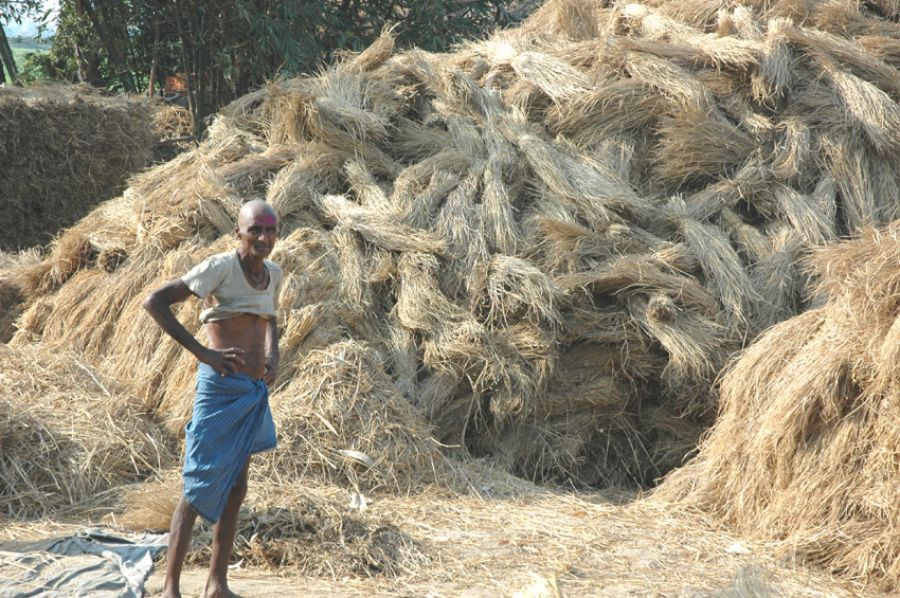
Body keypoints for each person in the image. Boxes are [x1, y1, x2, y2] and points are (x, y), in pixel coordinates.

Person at [143, 199, 282, 598]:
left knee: (237, 484)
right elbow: (155, 302)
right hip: (219, 390)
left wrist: (273, 355)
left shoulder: (273, 273)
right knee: (198, 484)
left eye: (270, 230)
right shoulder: (219, 268)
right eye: (255, 230)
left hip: (253, 392)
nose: (263, 237)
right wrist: (203, 353)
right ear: (238, 233)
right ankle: (170, 587)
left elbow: (270, 318)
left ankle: (216, 583)